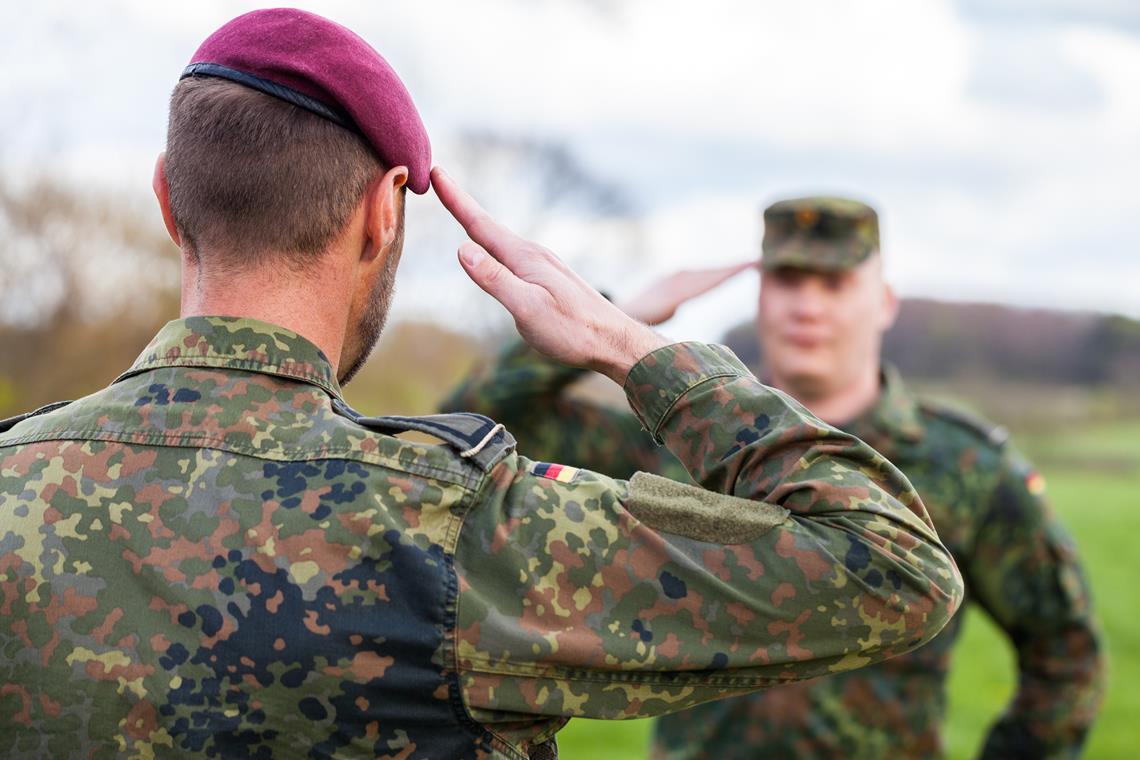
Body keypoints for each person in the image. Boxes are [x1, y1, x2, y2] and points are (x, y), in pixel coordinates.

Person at [0, 12, 962, 760]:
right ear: (383, 215)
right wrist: (630, 345)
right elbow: (893, 567)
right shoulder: (456, 531)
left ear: (168, 198)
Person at [443, 196, 1105, 758]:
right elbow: (464, 429)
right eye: (787, 279)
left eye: (834, 283)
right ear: (761, 295)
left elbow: (1066, 652)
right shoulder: (671, 441)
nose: (806, 305)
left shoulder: (963, 465)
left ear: (885, 303)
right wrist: (617, 320)